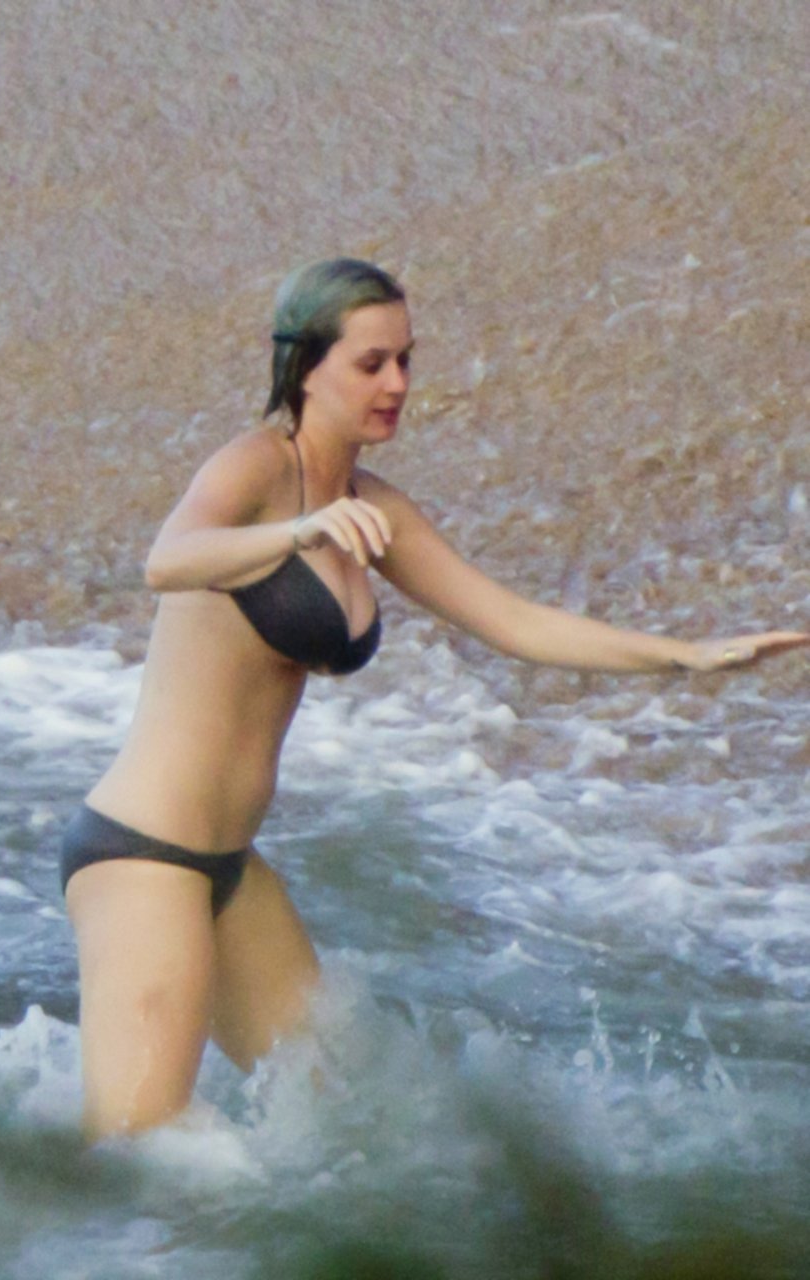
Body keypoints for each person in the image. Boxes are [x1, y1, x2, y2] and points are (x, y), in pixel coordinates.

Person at [61, 257, 809, 1140]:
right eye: (370, 363)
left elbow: (511, 621)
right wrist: (297, 530)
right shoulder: (253, 469)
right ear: (306, 366)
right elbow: (167, 560)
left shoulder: (370, 507)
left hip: (229, 871)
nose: (397, 384)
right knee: (133, 1160)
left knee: (349, 1131)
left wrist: (682, 658)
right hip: (144, 858)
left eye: (405, 360)